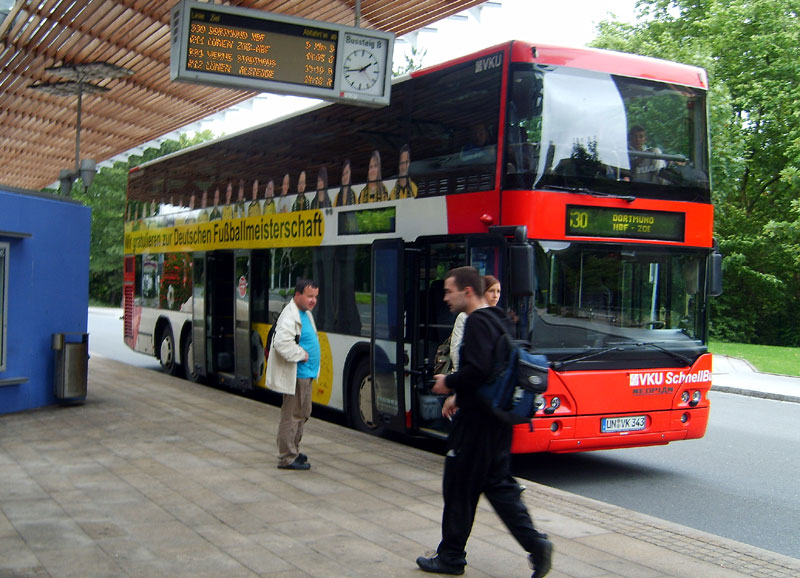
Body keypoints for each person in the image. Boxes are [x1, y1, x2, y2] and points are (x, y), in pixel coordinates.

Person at [417, 267, 552, 578]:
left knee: (458, 488)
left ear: (467, 291)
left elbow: (477, 370)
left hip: (476, 424)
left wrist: (448, 382)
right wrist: (459, 394)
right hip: (498, 419)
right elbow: (493, 369)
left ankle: (450, 558)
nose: (445, 297)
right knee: (499, 485)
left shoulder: (476, 321)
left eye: (449, 291)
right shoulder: (498, 317)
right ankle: (536, 543)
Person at [266, 279, 321, 471]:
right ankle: (286, 457)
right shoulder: (290, 315)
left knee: (303, 414)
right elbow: (281, 343)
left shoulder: (305, 313)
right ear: (298, 295)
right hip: (297, 375)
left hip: (306, 375)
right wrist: (301, 354)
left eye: (315, 296)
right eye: (309, 296)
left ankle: (294, 451)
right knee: (292, 415)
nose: (313, 300)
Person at [450, 274, 500, 372]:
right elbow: (456, 349)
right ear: (482, 292)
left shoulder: (498, 316)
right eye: (491, 291)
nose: (496, 296)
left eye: (498, 291)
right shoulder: (465, 315)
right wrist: (460, 374)